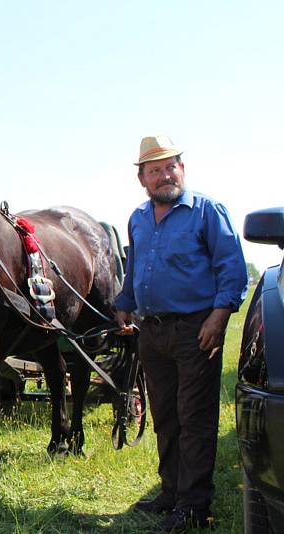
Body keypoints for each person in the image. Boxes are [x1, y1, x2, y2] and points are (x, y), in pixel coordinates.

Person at [114, 135, 247, 532]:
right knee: (165, 416)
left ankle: (194, 505)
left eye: (170, 166)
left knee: (196, 418)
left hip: (196, 331)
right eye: (154, 169)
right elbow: (134, 268)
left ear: (182, 169)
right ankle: (171, 492)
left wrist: (219, 316)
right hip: (152, 334)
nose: (164, 175)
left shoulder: (207, 212)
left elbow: (232, 269)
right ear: (142, 179)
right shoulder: (137, 218)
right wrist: (124, 303)